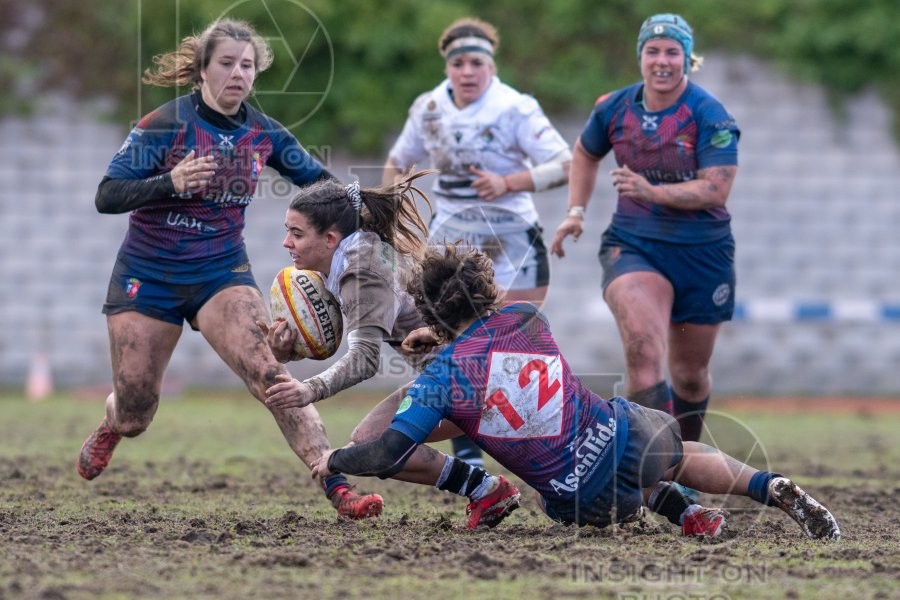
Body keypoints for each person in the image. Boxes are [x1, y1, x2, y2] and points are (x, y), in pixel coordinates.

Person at [310, 244, 841, 540]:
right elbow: (490, 360)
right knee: (678, 453)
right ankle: (765, 488)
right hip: (625, 438)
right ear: (487, 289)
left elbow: (384, 450)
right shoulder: (525, 317)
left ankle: (681, 514)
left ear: (428, 311)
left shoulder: (439, 382)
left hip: (582, 500)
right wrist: (444, 343)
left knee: (544, 477)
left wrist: (333, 457)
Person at [75, 18, 383, 520]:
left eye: (247, 65)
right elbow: (106, 195)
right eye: (226, 63)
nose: (238, 73)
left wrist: (374, 218)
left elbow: (324, 188)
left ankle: (335, 481)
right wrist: (170, 181)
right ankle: (112, 425)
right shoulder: (165, 126)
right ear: (202, 69)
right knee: (136, 412)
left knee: (270, 374)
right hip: (147, 277)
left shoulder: (264, 134)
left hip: (221, 275)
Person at [258, 173, 520, 530]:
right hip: (467, 371)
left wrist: (308, 389)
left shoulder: (360, 273)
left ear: (330, 238)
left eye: (297, 233)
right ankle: (487, 488)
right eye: (288, 231)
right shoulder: (349, 255)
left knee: (372, 444)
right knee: (370, 443)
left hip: (471, 380)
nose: (287, 242)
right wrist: (288, 350)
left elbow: (364, 360)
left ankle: (487, 489)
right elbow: (336, 340)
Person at [382, 16, 572, 466]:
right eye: (458, 63)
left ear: (491, 65)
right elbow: (397, 160)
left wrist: (509, 181)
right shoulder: (428, 107)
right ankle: (468, 449)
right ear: (447, 66)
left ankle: (535, 444)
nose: (467, 72)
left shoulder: (515, 107)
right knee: (446, 345)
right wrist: (390, 215)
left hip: (511, 241)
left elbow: (565, 164)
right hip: (450, 244)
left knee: (505, 347)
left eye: (476, 63)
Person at [550, 13, 740, 445]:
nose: (662, 60)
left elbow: (717, 189)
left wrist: (650, 191)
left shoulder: (709, 114)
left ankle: (684, 460)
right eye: (652, 51)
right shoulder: (614, 108)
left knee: (690, 377)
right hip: (635, 246)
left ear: (688, 59)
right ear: (640, 57)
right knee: (643, 351)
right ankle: (653, 472)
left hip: (702, 254)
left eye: (672, 51)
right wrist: (576, 210)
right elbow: (584, 153)